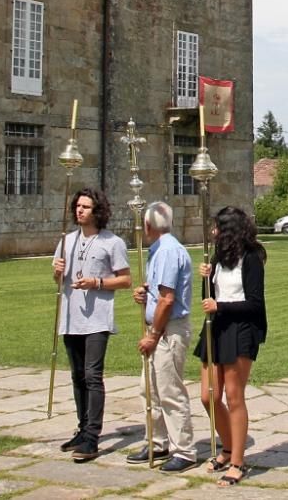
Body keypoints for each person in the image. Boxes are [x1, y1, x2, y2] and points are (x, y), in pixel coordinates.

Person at [52, 188, 131, 462]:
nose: (80, 210)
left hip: (97, 319)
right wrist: (57, 272)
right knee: (77, 376)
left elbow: (125, 280)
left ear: (97, 211)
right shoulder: (67, 241)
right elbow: (57, 280)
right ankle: (82, 429)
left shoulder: (112, 243)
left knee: (92, 376)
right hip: (71, 317)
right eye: (78, 206)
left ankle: (93, 437)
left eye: (86, 206)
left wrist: (96, 282)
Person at [195, 206, 268, 486]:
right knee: (208, 396)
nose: (212, 232)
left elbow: (255, 303)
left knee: (234, 397)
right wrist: (206, 279)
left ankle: (238, 461)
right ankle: (226, 446)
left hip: (241, 330)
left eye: (216, 227)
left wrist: (220, 305)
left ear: (228, 230)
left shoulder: (250, 259)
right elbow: (207, 299)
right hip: (216, 328)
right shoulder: (218, 258)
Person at [126, 202, 198, 471]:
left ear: (147, 226)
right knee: (150, 389)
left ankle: (184, 450)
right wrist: (144, 295)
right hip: (160, 327)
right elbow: (159, 294)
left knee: (169, 390)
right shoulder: (158, 251)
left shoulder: (167, 252)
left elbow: (168, 300)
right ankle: (157, 441)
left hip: (168, 330)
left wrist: (154, 334)